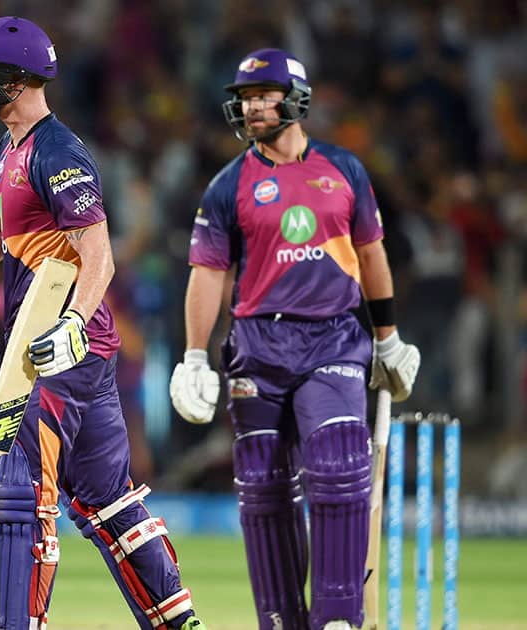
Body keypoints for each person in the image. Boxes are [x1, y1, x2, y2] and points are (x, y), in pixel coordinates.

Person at [0, 16, 205, 630]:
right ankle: (180, 622)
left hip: (55, 355)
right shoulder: (12, 147)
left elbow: (100, 254)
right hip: (70, 352)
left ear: (18, 80)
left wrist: (70, 324)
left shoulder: (58, 152)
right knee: (110, 501)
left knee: (23, 499)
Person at [169, 48, 421, 630]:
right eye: (245, 98)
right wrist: (193, 357)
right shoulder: (227, 186)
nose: (252, 107)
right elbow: (208, 275)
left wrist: (387, 340)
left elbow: (370, 255)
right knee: (262, 484)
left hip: (334, 337)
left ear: (296, 98)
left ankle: (337, 616)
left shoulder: (344, 170)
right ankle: (280, 620)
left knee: (337, 465)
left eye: (264, 96)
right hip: (258, 344)